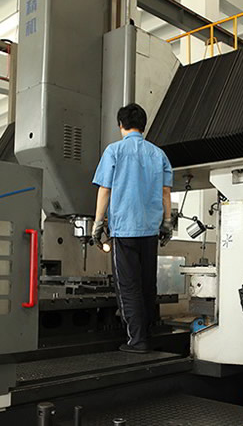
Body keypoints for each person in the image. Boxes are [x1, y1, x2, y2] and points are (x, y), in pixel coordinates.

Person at [91, 103, 173, 353]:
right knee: (147, 284)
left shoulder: (114, 151)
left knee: (128, 286)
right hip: (150, 230)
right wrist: (167, 222)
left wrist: (97, 224)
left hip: (124, 230)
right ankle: (147, 334)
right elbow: (165, 192)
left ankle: (137, 341)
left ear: (120, 125)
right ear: (143, 126)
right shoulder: (158, 154)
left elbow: (105, 189)